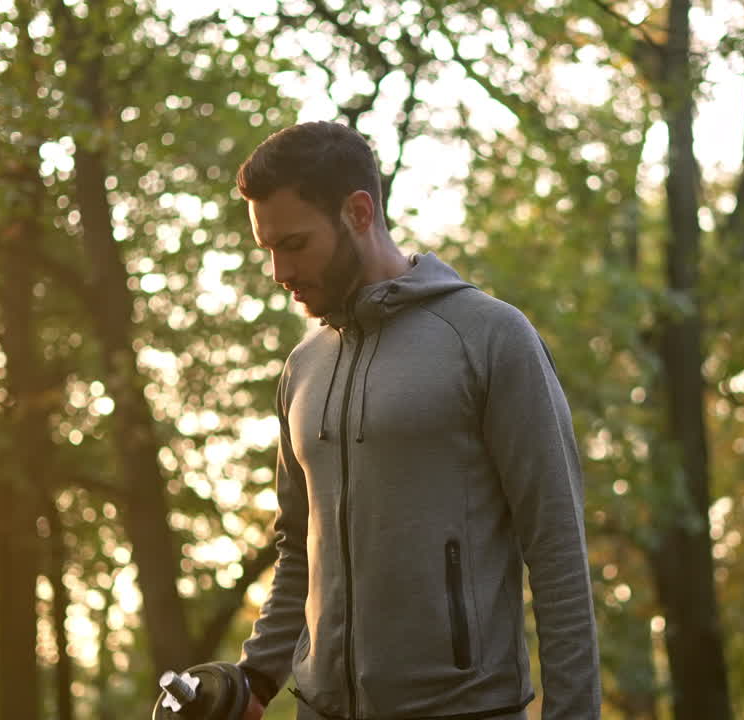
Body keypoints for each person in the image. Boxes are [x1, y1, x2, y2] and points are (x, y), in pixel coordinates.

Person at [232, 121, 600, 720]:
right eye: (267, 248)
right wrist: (255, 677)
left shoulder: (489, 338)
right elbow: (299, 549)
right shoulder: (303, 367)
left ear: (357, 212)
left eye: (294, 244)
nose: (278, 271)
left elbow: (557, 551)